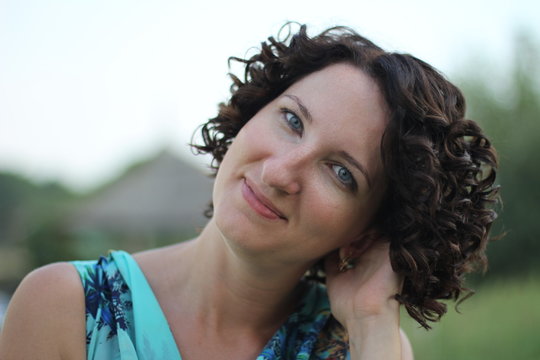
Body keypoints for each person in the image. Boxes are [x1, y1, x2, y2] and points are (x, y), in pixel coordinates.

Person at [0, 24, 498, 360]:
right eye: (291, 120)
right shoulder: (64, 306)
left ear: (368, 231)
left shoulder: (360, 347)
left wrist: (370, 321)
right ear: (254, 109)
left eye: (341, 173)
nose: (282, 172)